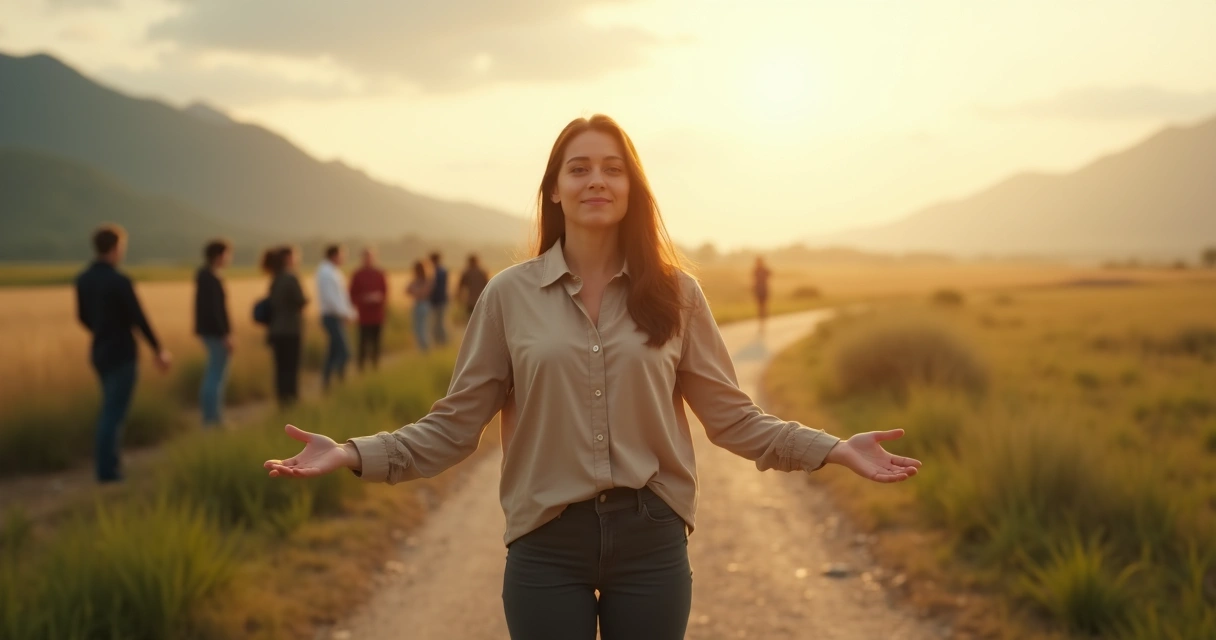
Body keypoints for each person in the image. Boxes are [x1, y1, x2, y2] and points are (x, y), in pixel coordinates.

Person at [263, 115, 921, 639]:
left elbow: (732, 419)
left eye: (612, 168)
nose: (595, 180)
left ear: (633, 187)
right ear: (554, 188)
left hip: (651, 539)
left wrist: (833, 449)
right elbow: (455, 427)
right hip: (546, 545)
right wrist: (353, 453)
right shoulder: (508, 297)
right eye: (578, 168)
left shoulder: (676, 294)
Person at [74, 224, 172, 483]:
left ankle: (110, 464)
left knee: (109, 407)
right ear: (116, 248)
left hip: (98, 351)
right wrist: (158, 350)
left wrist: (102, 329)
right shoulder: (119, 281)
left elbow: (83, 317)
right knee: (113, 414)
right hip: (122, 353)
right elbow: (138, 319)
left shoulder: (83, 279)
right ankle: (107, 472)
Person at [194, 239, 233, 427]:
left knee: (214, 373)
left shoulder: (204, 275)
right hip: (215, 334)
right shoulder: (210, 278)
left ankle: (212, 417)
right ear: (218, 255)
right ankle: (213, 419)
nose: (228, 258)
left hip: (209, 332)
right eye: (227, 254)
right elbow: (214, 310)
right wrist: (224, 334)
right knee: (215, 375)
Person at [267, 246, 307, 407]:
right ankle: (292, 402)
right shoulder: (291, 278)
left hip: (275, 331)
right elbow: (301, 300)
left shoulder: (275, 278)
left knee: (280, 368)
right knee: (291, 367)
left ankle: (281, 402)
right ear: (288, 258)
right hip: (291, 330)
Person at [317, 244, 357, 390]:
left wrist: (349, 312)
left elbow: (341, 297)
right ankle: (337, 383)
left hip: (336, 316)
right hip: (332, 317)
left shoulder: (333, 271)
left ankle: (328, 384)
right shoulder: (326, 272)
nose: (344, 258)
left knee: (333, 352)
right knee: (344, 352)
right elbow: (331, 299)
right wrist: (346, 314)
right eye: (342, 254)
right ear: (334, 255)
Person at [348, 247, 389, 371]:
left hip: (377, 314)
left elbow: (385, 292)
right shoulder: (357, 274)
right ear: (362, 259)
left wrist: (378, 298)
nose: (368, 260)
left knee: (376, 344)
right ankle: (361, 369)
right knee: (363, 344)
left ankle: (375, 367)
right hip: (363, 316)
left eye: (371, 257)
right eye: (366, 257)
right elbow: (351, 294)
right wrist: (363, 299)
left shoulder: (380, 273)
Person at [405, 260, 432, 352]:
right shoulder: (420, 279)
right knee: (419, 328)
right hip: (419, 304)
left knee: (421, 328)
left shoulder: (425, 280)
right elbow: (408, 290)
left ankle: (424, 349)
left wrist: (416, 291)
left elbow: (423, 292)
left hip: (422, 304)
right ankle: (423, 348)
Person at [456, 253, 490, 321]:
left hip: (471, 301)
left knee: (471, 321)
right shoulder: (482, 272)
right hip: (481, 300)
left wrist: (459, 297)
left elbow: (460, 286)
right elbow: (489, 286)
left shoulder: (467, 272)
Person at [427, 251, 449, 346]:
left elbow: (435, 287)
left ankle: (442, 342)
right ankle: (440, 342)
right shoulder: (442, 270)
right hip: (441, 299)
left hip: (438, 300)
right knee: (439, 322)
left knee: (438, 323)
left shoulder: (437, 271)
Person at [753, 256, 772, 325]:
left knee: (763, 304)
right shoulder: (756, 270)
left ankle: (763, 317)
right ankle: (762, 317)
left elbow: (770, 275)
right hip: (759, 289)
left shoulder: (763, 270)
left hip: (764, 289)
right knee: (760, 305)